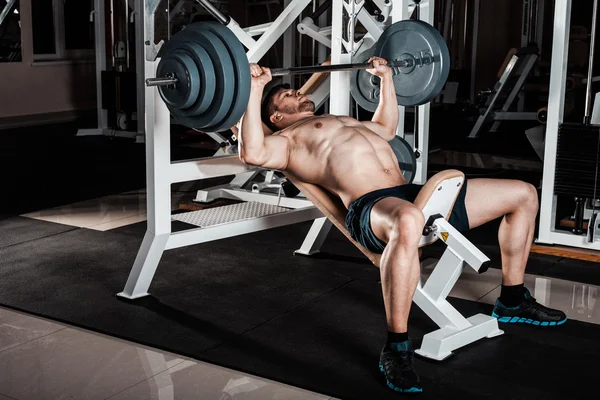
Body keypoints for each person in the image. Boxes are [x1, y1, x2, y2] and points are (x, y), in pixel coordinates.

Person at [237, 58, 567, 394]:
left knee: (524, 194)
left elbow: (386, 127)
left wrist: (387, 79)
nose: (298, 93)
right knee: (409, 219)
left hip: (413, 195)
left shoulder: (340, 119)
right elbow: (252, 152)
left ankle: (512, 299)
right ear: (276, 116)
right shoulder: (289, 141)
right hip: (372, 208)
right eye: (289, 95)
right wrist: (256, 89)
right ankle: (396, 346)